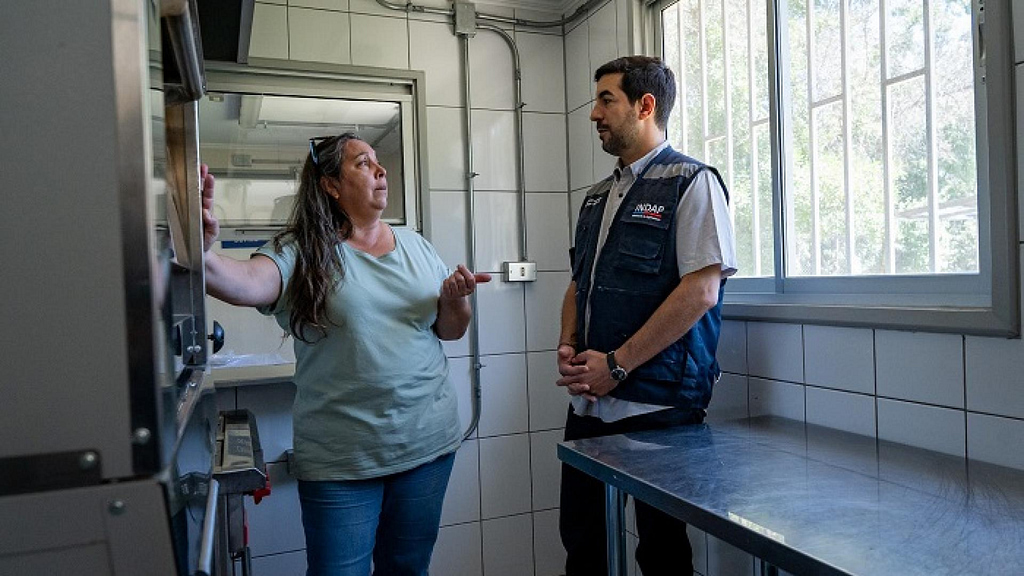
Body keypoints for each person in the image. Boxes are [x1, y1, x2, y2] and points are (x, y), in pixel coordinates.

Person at [200, 133, 490, 576]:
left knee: (409, 567)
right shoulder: (299, 250)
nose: (381, 169)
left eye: (379, 162)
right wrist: (201, 253)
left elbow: (449, 332)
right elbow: (245, 283)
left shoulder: (415, 244)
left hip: (426, 445)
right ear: (331, 185)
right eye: (363, 163)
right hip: (342, 460)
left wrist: (456, 301)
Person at [556, 56, 737, 575]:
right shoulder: (595, 198)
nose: (594, 114)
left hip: (658, 407)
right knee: (584, 545)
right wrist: (569, 345)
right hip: (591, 407)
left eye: (606, 100)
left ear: (645, 106)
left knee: (660, 553)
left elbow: (701, 291)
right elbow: (577, 283)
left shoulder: (691, 182)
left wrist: (616, 365)